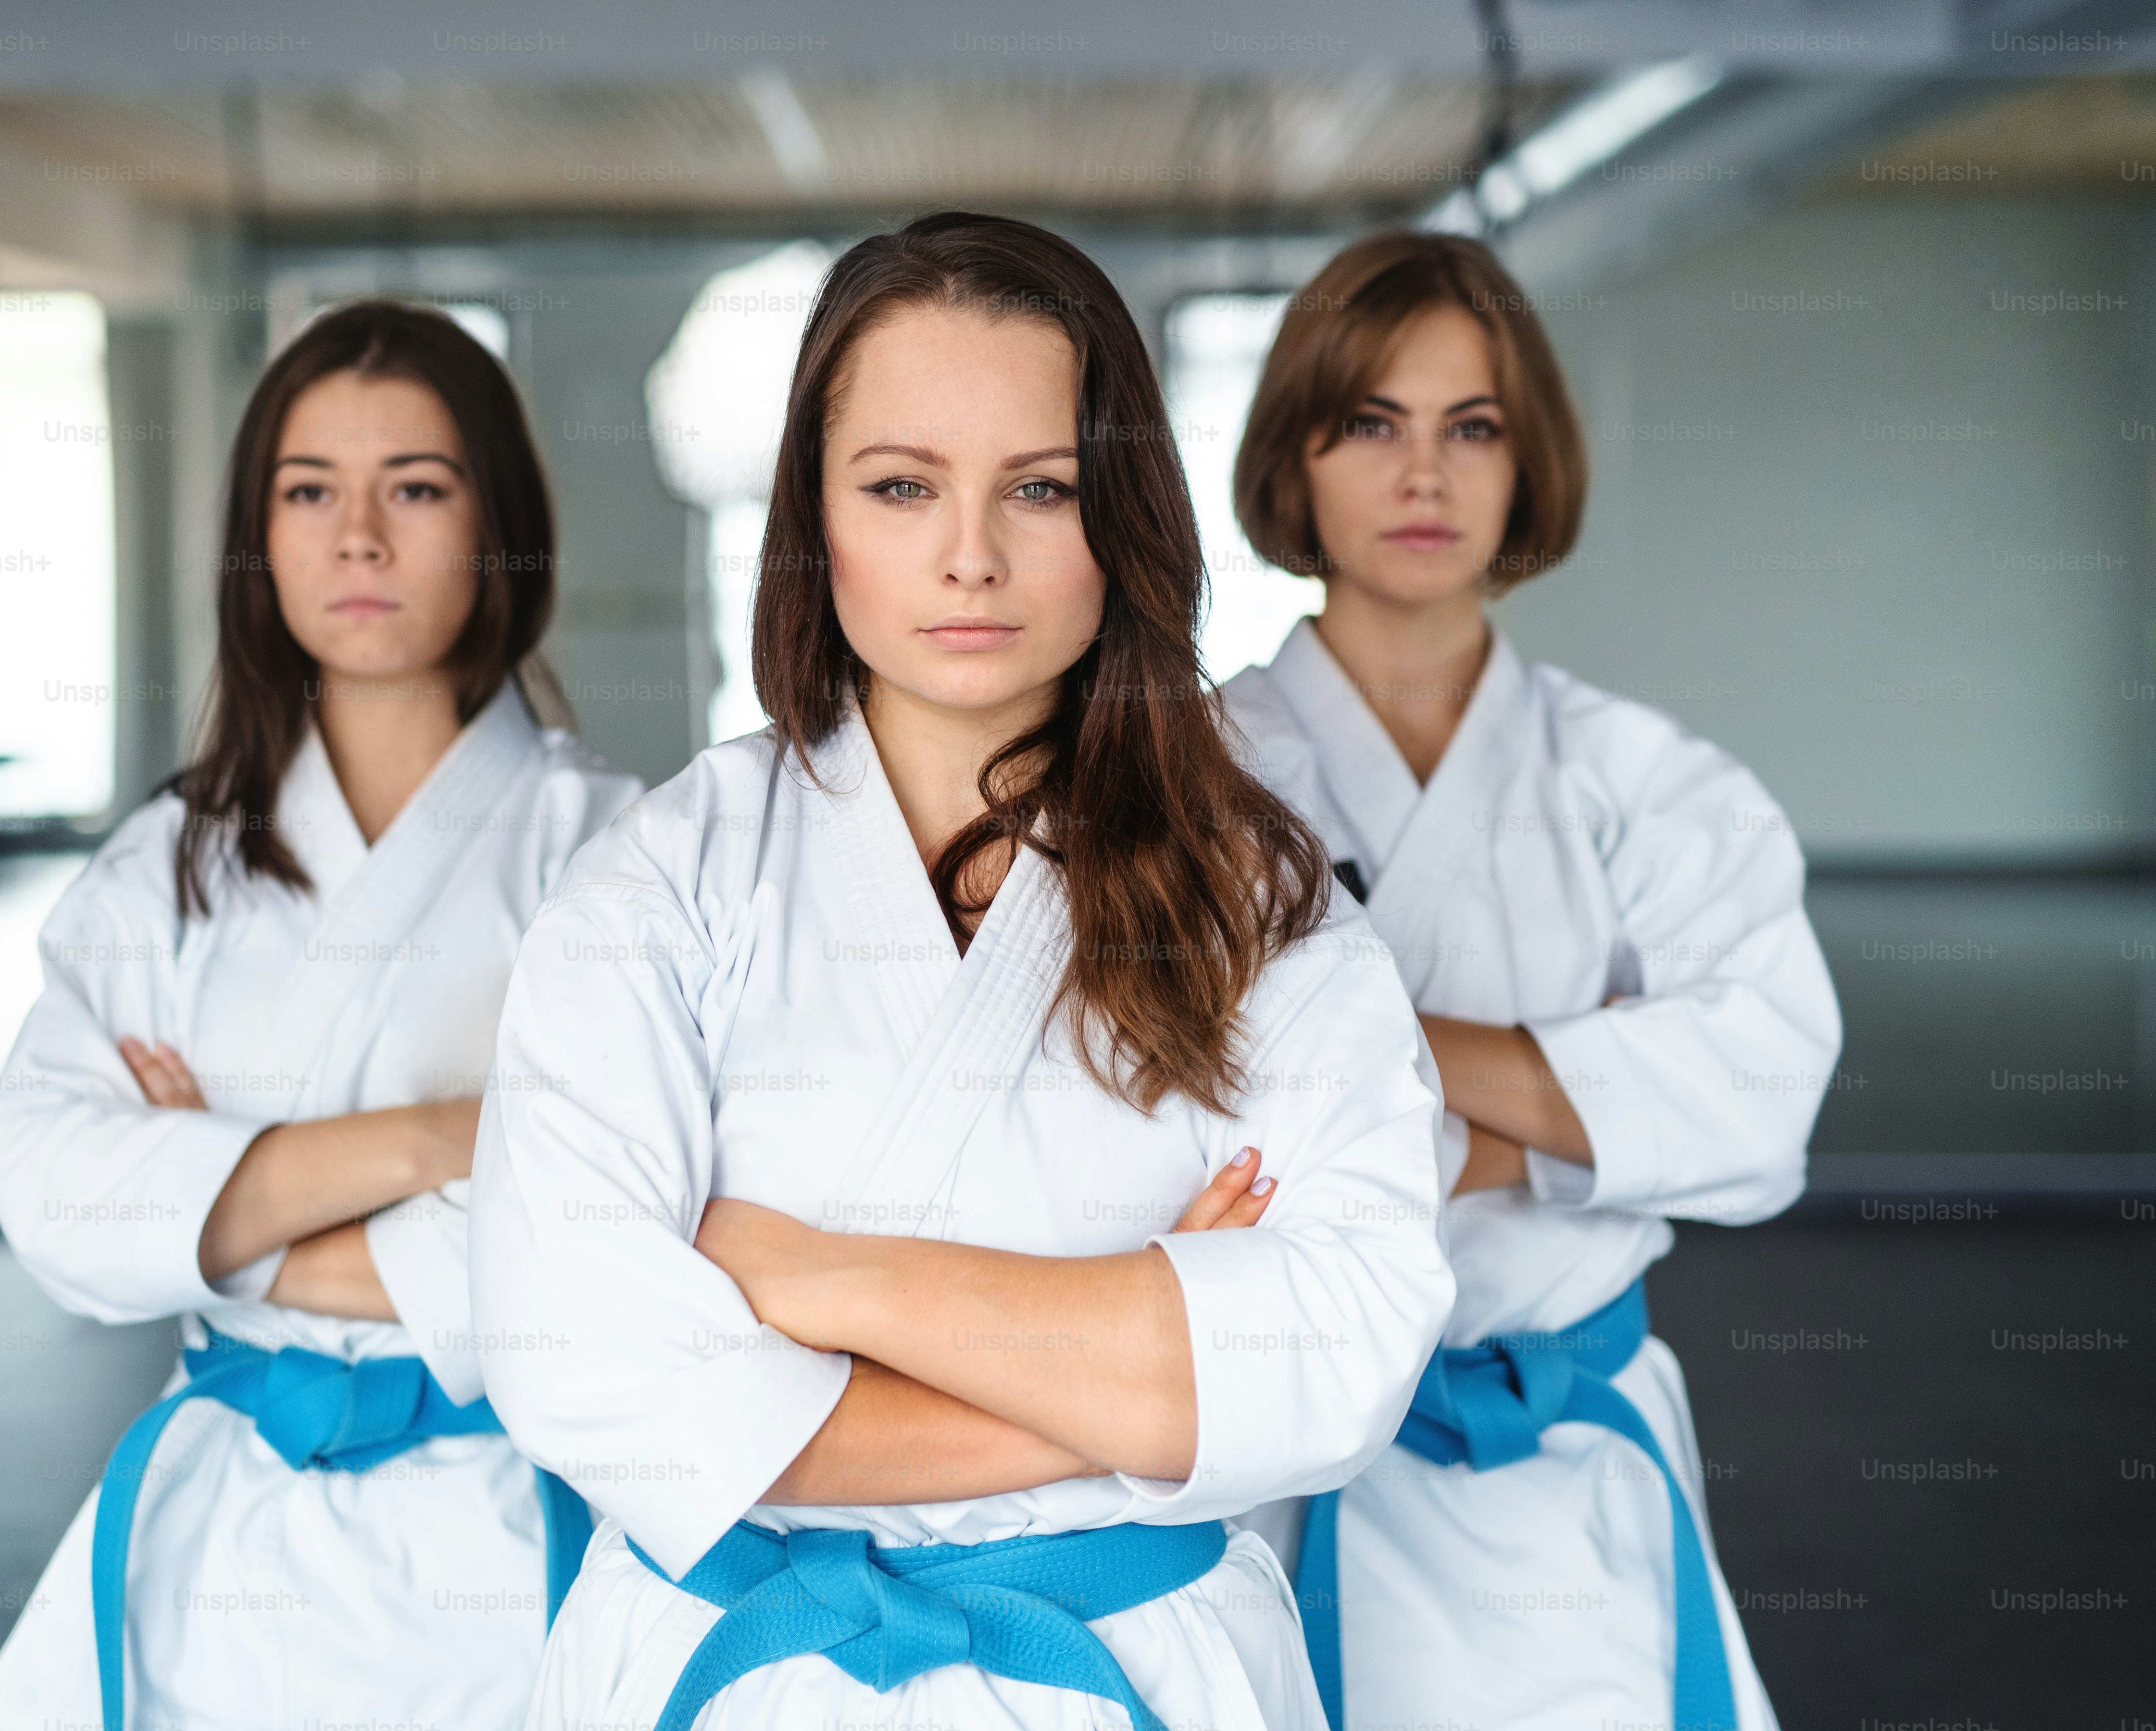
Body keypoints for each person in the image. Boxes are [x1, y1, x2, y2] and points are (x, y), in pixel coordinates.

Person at [467, 211, 1454, 1731]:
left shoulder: (1257, 902)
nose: (971, 556)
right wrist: (1130, 1363)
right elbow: (586, 1370)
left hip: (1130, 1666)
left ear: (1121, 514)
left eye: (1041, 488)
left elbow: (1342, 1354)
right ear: (816, 518)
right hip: (745, 1676)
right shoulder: (664, 883)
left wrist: (818, 1280)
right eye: (902, 486)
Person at [0, 301, 639, 1731]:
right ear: (257, 535)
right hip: (217, 1532)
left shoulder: (619, 851)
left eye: (417, 487)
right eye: (308, 490)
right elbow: (55, 1191)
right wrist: (443, 1139)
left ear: (499, 522)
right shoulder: (169, 861)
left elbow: (612, 1239)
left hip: (498, 1536)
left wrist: (213, 1200)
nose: (358, 538)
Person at [1218, 231, 1842, 1731]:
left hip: (1573, 1473)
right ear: (1294, 464)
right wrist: (1597, 1095)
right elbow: (1152, 1119)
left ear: (1525, 465)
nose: (1422, 475)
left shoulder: (1644, 781)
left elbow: (1761, 1098)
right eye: (1370, 422)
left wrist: (1365, 1090)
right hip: (1290, 1475)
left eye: (1471, 427)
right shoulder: (1188, 775)